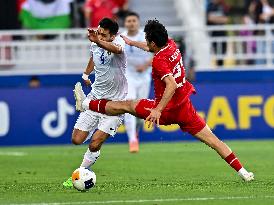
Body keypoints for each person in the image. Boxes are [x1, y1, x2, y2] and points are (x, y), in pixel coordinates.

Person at [76, 19, 255, 182]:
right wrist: (131, 43)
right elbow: (150, 48)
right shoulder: (171, 44)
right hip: (185, 107)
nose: (145, 41)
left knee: (126, 105)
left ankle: (85, 104)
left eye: (147, 39)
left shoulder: (159, 60)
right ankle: (243, 172)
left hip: (166, 109)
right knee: (215, 141)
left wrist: (158, 110)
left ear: (153, 42)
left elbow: (171, 85)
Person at [63, 18, 127, 188]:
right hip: (95, 97)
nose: (99, 35)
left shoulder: (119, 43)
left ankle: (81, 171)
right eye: (98, 32)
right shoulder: (96, 41)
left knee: (95, 142)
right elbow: (94, 56)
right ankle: (85, 104)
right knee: (76, 140)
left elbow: (117, 50)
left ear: (113, 36)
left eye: (104, 35)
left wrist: (98, 41)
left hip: (115, 103)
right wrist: (86, 74)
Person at [121, 12, 152, 153]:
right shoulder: (120, 38)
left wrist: (145, 65)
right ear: (125, 23)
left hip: (144, 77)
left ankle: (136, 132)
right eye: (129, 20)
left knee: (140, 112)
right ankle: (132, 140)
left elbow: (158, 52)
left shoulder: (146, 36)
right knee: (129, 105)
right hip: (128, 76)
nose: (131, 23)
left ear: (138, 23)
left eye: (134, 20)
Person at [206, 0, 229, 67]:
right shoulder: (210, 6)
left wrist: (215, 19)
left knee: (223, 53)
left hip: (222, 33)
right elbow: (209, 18)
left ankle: (221, 68)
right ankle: (216, 68)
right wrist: (220, 19)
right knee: (215, 53)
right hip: (213, 34)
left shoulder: (223, 5)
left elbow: (225, 19)